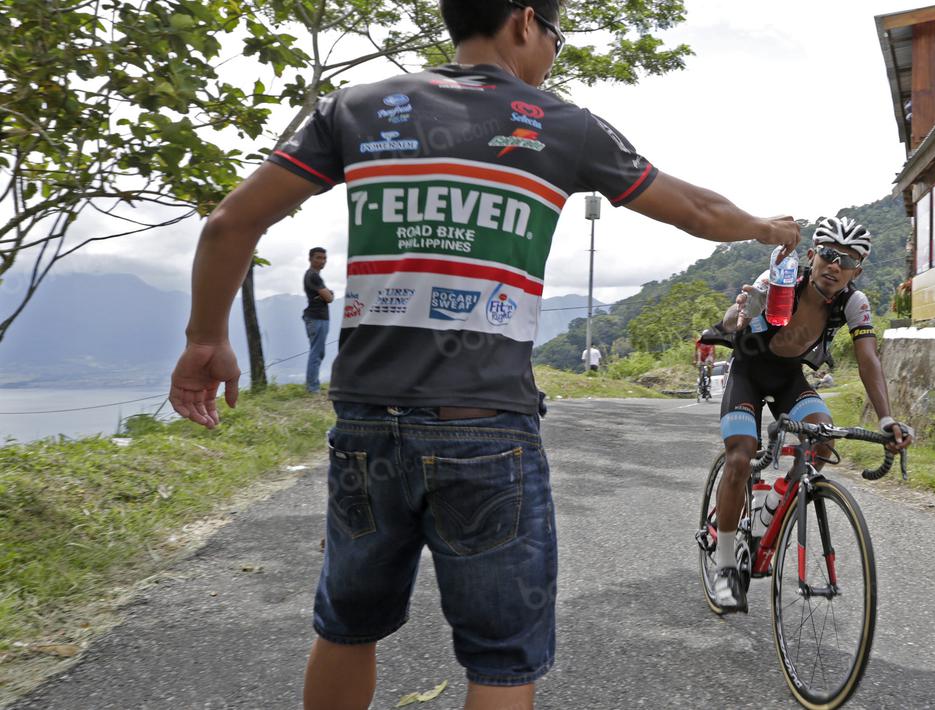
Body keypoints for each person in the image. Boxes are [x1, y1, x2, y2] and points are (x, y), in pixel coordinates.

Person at [167, 1, 800, 707]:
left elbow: (231, 221)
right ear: (525, 21)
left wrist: (204, 338)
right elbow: (698, 212)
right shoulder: (562, 125)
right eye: (556, 37)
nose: (553, 53)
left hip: (366, 424)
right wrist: (768, 226)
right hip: (487, 428)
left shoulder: (355, 108)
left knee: (347, 628)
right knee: (501, 661)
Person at [707, 216, 912, 613]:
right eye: (829, 255)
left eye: (847, 261)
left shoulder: (854, 302)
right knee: (740, 455)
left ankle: (769, 511)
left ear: (858, 270)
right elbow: (733, 322)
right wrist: (741, 312)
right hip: (749, 370)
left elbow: (868, 359)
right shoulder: (780, 281)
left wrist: (887, 419)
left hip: (788, 378)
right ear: (813, 255)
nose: (835, 266)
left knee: (822, 441)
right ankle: (727, 564)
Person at [303, 247, 333, 393]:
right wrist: (328, 294)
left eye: (324, 258)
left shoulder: (312, 276)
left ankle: (313, 386)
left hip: (315, 317)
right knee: (317, 352)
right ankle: (312, 388)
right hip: (317, 318)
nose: (322, 261)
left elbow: (327, 296)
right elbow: (329, 297)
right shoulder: (313, 276)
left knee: (317, 352)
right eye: (318, 258)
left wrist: (327, 295)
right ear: (310, 259)